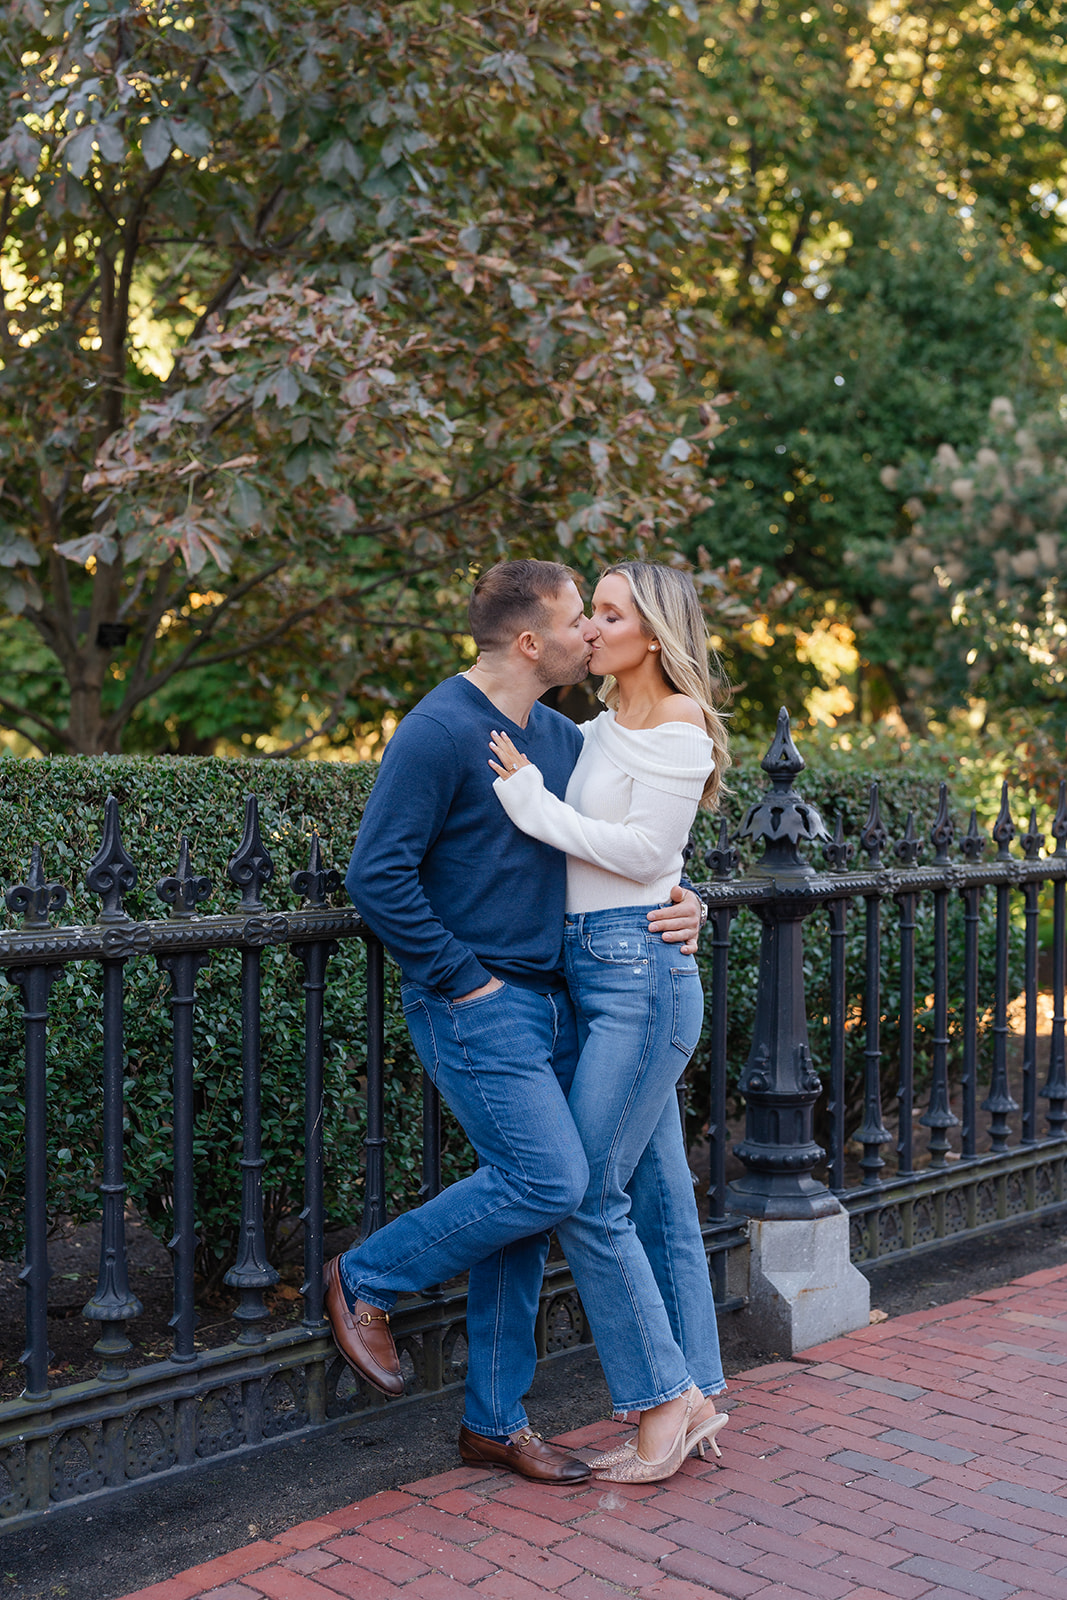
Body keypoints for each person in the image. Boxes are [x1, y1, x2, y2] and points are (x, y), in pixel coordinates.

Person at [326, 559, 705, 1484]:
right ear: (531, 641)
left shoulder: (563, 740)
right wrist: (464, 981)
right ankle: (365, 1278)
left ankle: (494, 1421)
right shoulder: (439, 729)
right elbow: (376, 874)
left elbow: (617, 849)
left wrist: (685, 898)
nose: (590, 634)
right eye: (581, 620)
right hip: (478, 1001)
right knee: (548, 1182)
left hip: (563, 995)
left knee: (530, 1200)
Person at [487, 560, 729, 1484]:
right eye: (588, 611)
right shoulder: (592, 732)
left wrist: (530, 802)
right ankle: (696, 1386)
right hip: (597, 970)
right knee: (660, 1196)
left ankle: (663, 1406)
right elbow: (634, 861)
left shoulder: (679, 725)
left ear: (653, 636)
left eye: (610, 614)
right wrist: (678, 891)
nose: (590, 627)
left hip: (638, 978)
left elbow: (641, 851)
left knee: (586, 1193)